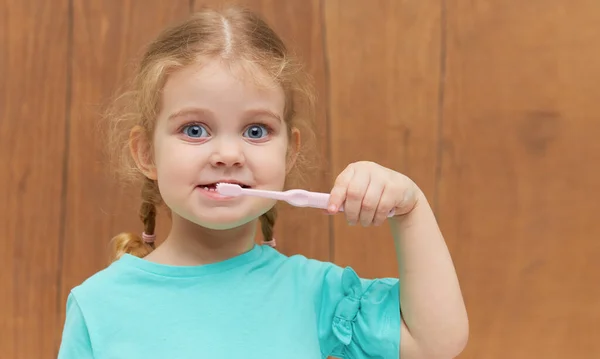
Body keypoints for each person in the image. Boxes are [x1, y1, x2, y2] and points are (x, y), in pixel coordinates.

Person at [57, 5, 468, 359]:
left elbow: (435, 344)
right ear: (146, 153)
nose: (229, 154)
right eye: (195, 130)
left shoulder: (314, 294)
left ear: (289, 153)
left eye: (255, 131)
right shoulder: (98, 305)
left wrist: (411, 210)